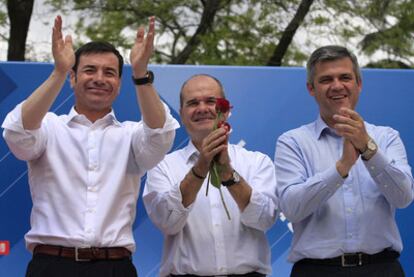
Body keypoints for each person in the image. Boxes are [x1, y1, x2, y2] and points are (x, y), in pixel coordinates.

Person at [2, 15, 179, 277]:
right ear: (73, 78)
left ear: (119, 84)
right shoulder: (49, 126)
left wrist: (140, 74)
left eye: (109, 73)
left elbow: (160, 134)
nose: (99, 78)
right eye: (89, 70)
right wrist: (58, 71)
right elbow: (17, 134)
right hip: (51, 265)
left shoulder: (131, 135)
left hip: (115, 266)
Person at [274, 45, 414, 277]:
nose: (337, 86)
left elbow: (403, 197)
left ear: (358, 84)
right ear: (311, 88)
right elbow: (291, 208)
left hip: (382, 268)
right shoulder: (292, 142)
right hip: (316, 271)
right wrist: (342, 167)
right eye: (326, 79)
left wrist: (368, 149)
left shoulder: (386, 137)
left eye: (345, 77)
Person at [143, 74, 278, 277]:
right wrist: (200, 168)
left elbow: (264, 220)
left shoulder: (257, 162)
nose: (202, 108)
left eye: (211, 101)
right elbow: (168, 223)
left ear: (225, 111)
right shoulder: (162, 166)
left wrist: (228, 174)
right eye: (193, 103)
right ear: (181, 114)